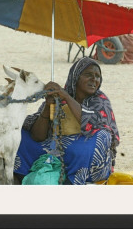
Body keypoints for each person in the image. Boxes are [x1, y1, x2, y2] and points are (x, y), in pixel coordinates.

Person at [13, 57, 120, 185]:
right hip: (57, 150)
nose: (94, 79)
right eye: (88, 75)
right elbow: (37, 136)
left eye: (97, 76)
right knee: (21, 136)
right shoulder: (58, 97)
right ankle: (20, 178)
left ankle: (72, 181)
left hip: (86, 158)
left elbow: (90, 124)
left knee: (102, 136)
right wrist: (47, 107)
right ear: (75, 77)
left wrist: (67, 97)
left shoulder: (100, 101)